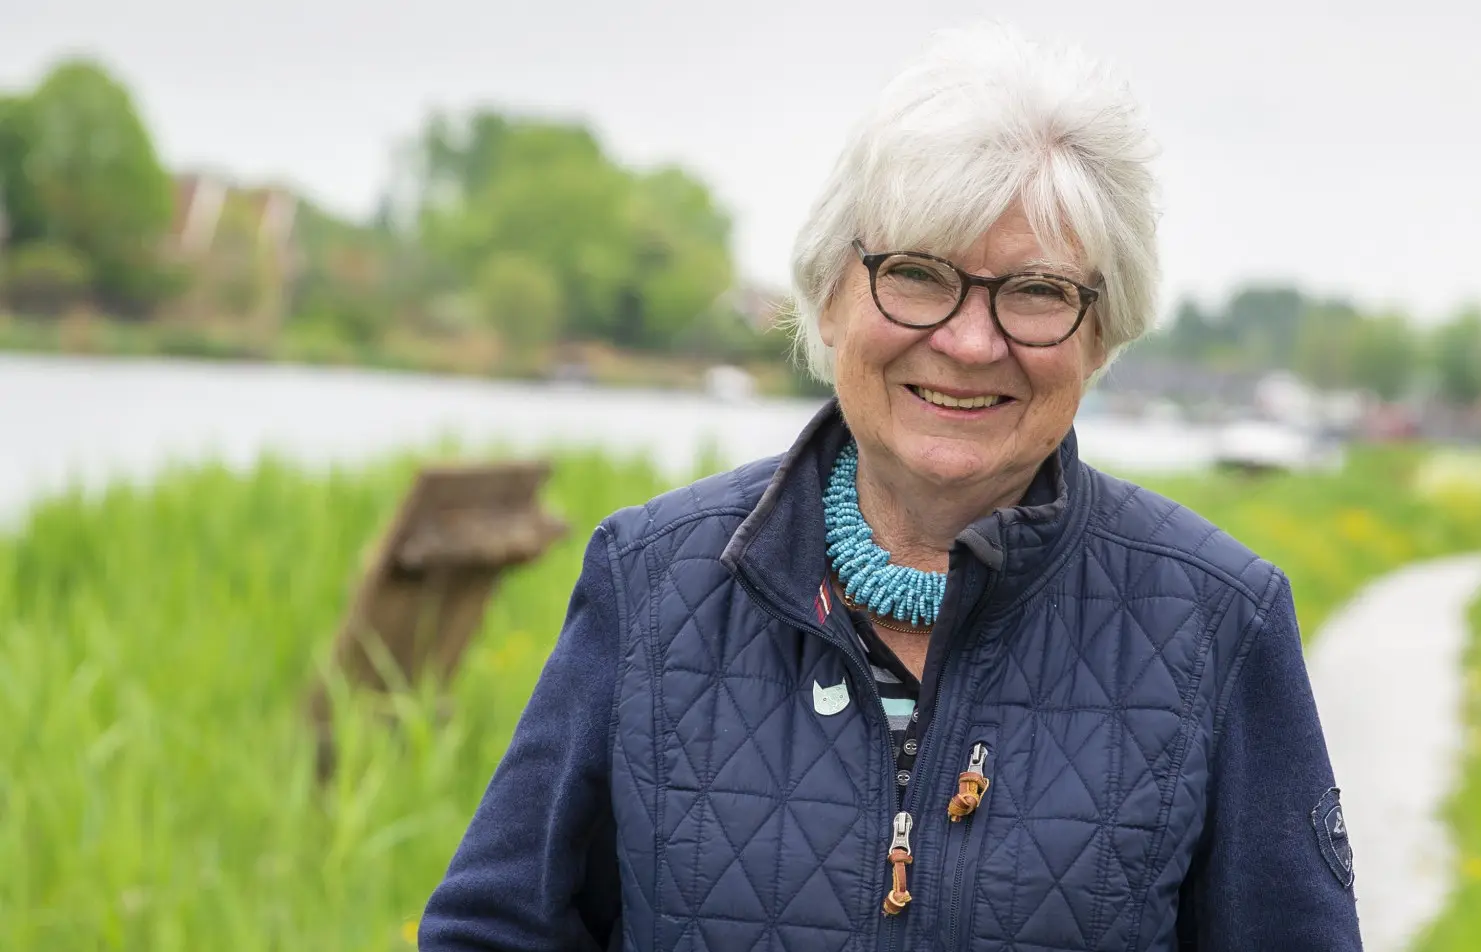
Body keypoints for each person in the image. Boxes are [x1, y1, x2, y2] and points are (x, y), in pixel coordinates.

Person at [421, 23, 1362, 952]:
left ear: (1101, 336)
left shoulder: (1220, 623)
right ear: (830, 296)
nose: (968, 341)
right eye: (917, 274)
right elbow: (492, 931)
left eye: (1035, 292)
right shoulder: (651, 579)